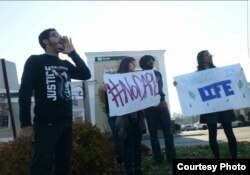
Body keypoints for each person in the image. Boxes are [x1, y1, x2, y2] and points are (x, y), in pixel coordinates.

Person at [18, 28, 91, 175]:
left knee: (64, 167)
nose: (60, 37)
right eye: (55, 35)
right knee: (41, 167)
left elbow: (85, 74)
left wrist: (72, 53)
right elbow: (24, 92)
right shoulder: (35, 61)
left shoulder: (64, 63)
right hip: (46, 124)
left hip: (66, 122)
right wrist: (25, 124)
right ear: (46, 41)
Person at [196, 50, 238, 159]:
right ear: (201, 59)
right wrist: (178, 84)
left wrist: (237, 72)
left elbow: (229, 80)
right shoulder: (196, 75)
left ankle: (235, 158)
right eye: (207, 55)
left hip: (223, 105)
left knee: (229, 132)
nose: (210, 56)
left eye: (210, 54)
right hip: (210, 107)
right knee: (212, 134)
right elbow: (190, 88)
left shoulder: (218, 71)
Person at [139, 55, 176, 166]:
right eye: (149, 61)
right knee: (153, 134)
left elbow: (160, 88)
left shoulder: (157, 74)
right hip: (149, 109)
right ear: (144, 63)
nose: (152, 62)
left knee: (168, 132)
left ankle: (171, 156)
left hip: (161, 105)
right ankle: (158, 157)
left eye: (152, 61)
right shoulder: (139, 76)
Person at [113, 56, 146, 175]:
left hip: (137, 117)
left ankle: (138, 168)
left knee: (137, 145)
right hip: (124, 118)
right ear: (126, 64)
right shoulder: (117, 79)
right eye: (132, 63)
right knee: (127, 146)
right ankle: (129, 170)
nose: (134, 65)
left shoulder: (138, 78)